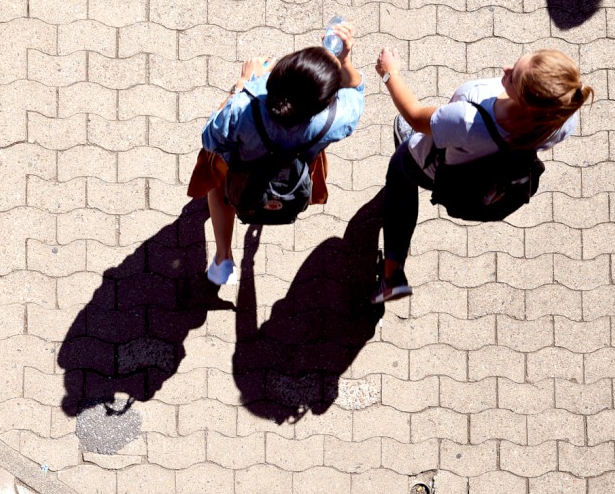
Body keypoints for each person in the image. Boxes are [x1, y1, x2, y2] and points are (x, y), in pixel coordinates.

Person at [371, 47, 593, 304]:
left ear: (526, 102)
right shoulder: (561, 118)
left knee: (400, 170)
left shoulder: (470, 115)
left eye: (512, 77)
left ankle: (392, 275)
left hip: (437, 168)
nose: (505, 70)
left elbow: (414, 115)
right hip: (489, 178)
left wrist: (390, 73)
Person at [189, 24, 364, 286]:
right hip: (294, 175)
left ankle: (223, 259)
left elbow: (210, 138)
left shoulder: (244, 107)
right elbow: (356, 91)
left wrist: (243, 83)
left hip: (243, 173)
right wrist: (344, 60)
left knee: (216, 171)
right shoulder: (336, 119)